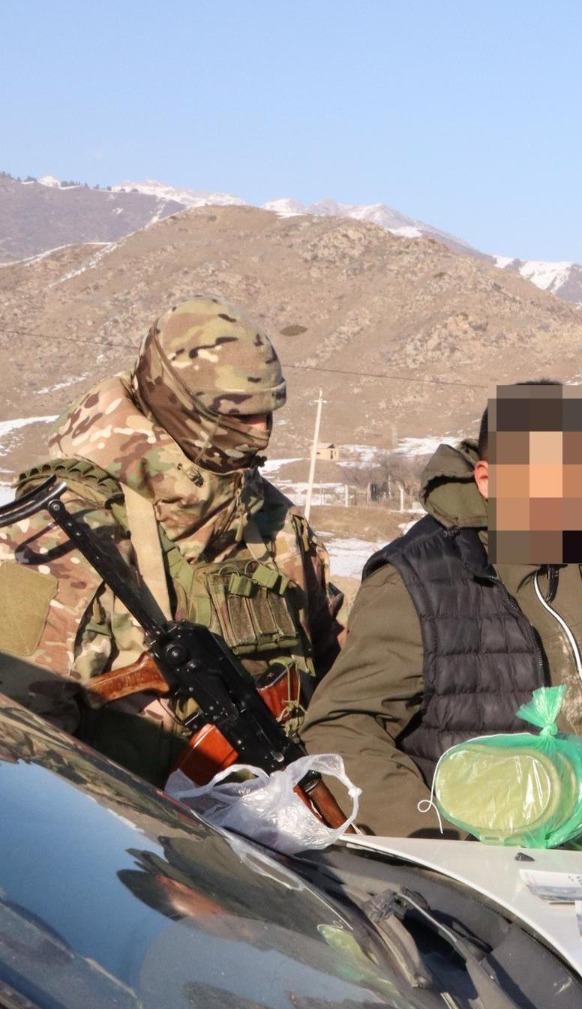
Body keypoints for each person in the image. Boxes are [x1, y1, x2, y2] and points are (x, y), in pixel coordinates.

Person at [0, 296, 341, 784]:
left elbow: (341, 672)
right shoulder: (55, 532)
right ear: (176, 402)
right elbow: (16, 751)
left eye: (267, 411)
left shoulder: (271, 521)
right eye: (239, 415)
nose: (261, 432)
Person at [301, 391, 582, 837]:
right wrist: (441, 839)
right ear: (487, 479)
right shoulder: (417, 580)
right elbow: (340, 727)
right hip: (500, 858)